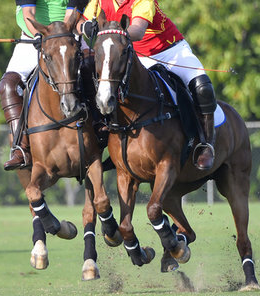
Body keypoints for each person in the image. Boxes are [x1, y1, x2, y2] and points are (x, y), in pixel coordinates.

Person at [81, 0, 217, 170]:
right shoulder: (99, 1)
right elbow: (81, 21)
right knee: (103, 84)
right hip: (134, 56)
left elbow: (138, 30)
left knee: (202, 87)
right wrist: (85, 27)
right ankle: (104, 140)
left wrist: (111, 34)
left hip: (170, 51)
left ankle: (206, 143)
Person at [0, 0, 89, 171]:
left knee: (93, 70)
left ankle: (102, 129)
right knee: (8, 85)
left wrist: (58, 37)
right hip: (35, 37)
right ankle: (21, 147)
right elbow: (28, 15)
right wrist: (38, 35)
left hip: (68, 36)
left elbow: (71, 14)